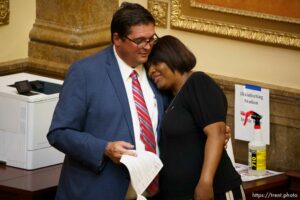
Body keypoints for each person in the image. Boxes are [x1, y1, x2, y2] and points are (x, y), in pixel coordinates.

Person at [47, 2, 165, 200]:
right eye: (139, 40)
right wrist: (104, 148)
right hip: (97, 191)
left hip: (149, 193)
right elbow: (59, 133)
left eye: (151, 39)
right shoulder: (85, 73)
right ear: (117, 38)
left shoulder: (157, 70)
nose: (147, 47)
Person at [145, 35, 245, 200]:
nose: (151, 71)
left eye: (156, 63)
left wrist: (205, 183)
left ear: (173, 57)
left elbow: (217, 133)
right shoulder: (171, 98)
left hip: (213, 192)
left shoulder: (198, 82)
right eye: (148, 67)